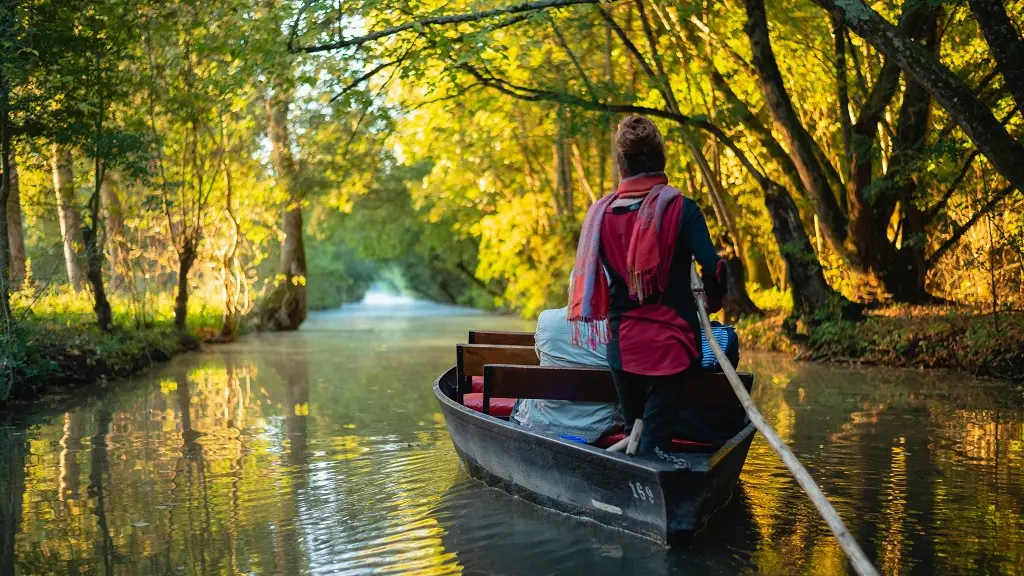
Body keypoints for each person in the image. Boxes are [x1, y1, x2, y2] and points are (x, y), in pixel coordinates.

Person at [568, 115, 742, 456]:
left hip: (623, 347)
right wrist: (712, 300)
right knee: (653, 442)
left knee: (637, 431)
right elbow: (716, 269)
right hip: (672, 346)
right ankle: (656, 483)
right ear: (660, 158)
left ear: (621, 164)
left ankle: (640, 480)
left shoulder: (600, 215)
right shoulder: (682, 209)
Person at [510, 307, 621, 443]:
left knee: (522, 399)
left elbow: (539, 355)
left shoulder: (547, 319)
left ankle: (513, 446)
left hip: (544, 418)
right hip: (601, 424)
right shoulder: (620, 326)